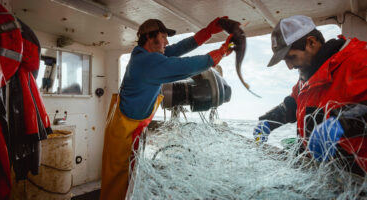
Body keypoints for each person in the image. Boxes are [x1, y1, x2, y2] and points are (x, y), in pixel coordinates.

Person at [101, 17, 234, 199]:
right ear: (149, 37)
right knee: (118, 183)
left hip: (127, 125)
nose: (167, 42)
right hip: (123, 131)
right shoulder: (148, 63)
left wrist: (208, 31)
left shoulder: (143, 55)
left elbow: (179, 48)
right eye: (163, 37)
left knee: (128, 180)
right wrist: (221, 53)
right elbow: (185, 66)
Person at [253, 15, 367, 176]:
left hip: (357, 180)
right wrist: (268, 121)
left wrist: (343, 123)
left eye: (291, 57)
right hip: (320, 175)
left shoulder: (360, 58)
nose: (289, 66)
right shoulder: (307, 75)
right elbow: (292, 104)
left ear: (311, 43)